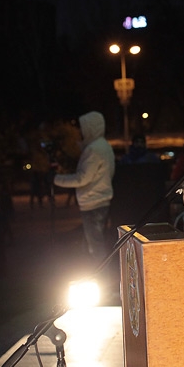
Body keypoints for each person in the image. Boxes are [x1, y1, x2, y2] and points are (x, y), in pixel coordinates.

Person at [54, 111, 116, 263]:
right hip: (99, 199)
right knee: (95, 244)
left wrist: (56, 179)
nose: (80, 132)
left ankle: (100, 278)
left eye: (83, 128)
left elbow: (83, 178)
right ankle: (100, 277)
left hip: (93, 202)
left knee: (96, 247)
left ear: (91, 128)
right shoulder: (103, 146)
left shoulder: (93, 150)